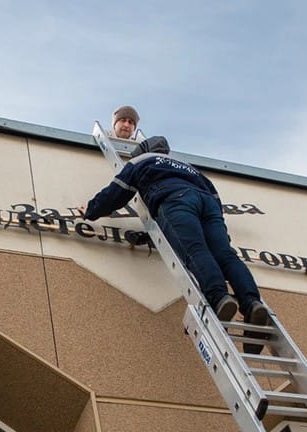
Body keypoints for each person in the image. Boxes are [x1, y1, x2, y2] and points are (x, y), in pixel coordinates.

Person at [80, 136, 271, 353]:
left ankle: (219, 298)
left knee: (195, 250)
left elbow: (117, 192)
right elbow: (216, 202)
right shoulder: (192, 169)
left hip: (175, 199)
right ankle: (252, 303)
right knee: (225, 255)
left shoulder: (142, 161)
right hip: (207, 204)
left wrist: (91, 209)